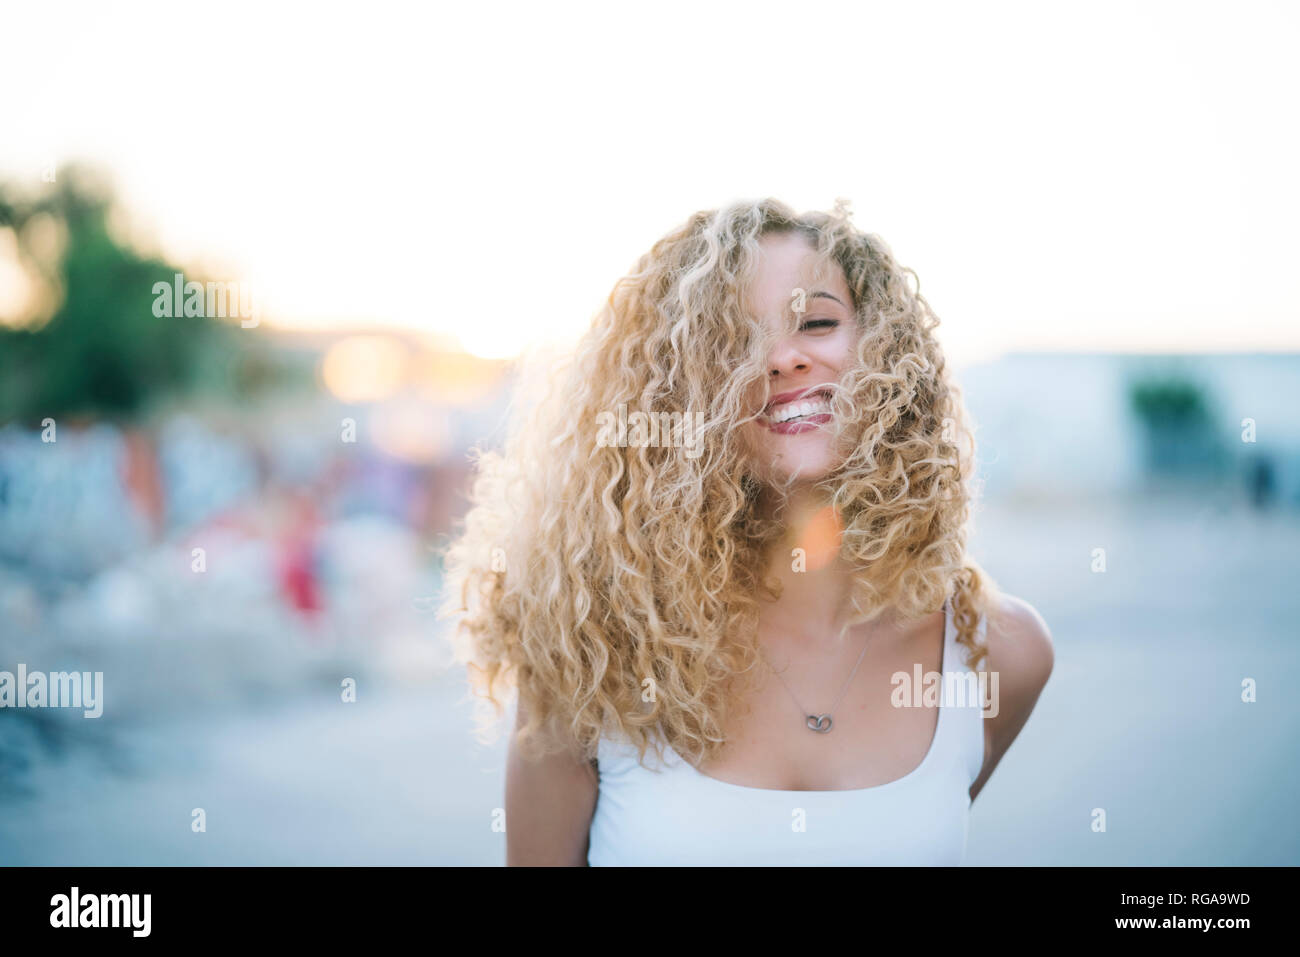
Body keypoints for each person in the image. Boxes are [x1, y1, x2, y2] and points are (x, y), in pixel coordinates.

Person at [440, 198, 1053, 865]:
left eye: (816, 321)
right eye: (734, 342)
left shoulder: (1000, 652)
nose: (782, 358)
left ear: (889, 351)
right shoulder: (590, 651)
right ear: (673, 394)